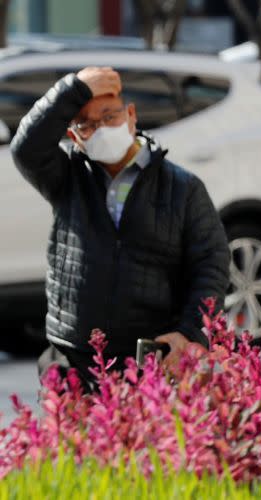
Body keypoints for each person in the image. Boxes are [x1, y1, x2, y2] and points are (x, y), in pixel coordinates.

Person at [10, 67, 230, 387]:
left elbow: (211, 263)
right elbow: (26, 148)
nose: (100, 129)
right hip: (75, 360)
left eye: (109, 116)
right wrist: (74, 89)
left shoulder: (181, 187)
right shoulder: (68, 178)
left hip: (148, 362)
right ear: (74, 137)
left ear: (131, 116)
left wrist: (191, 332)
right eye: (86, 124)